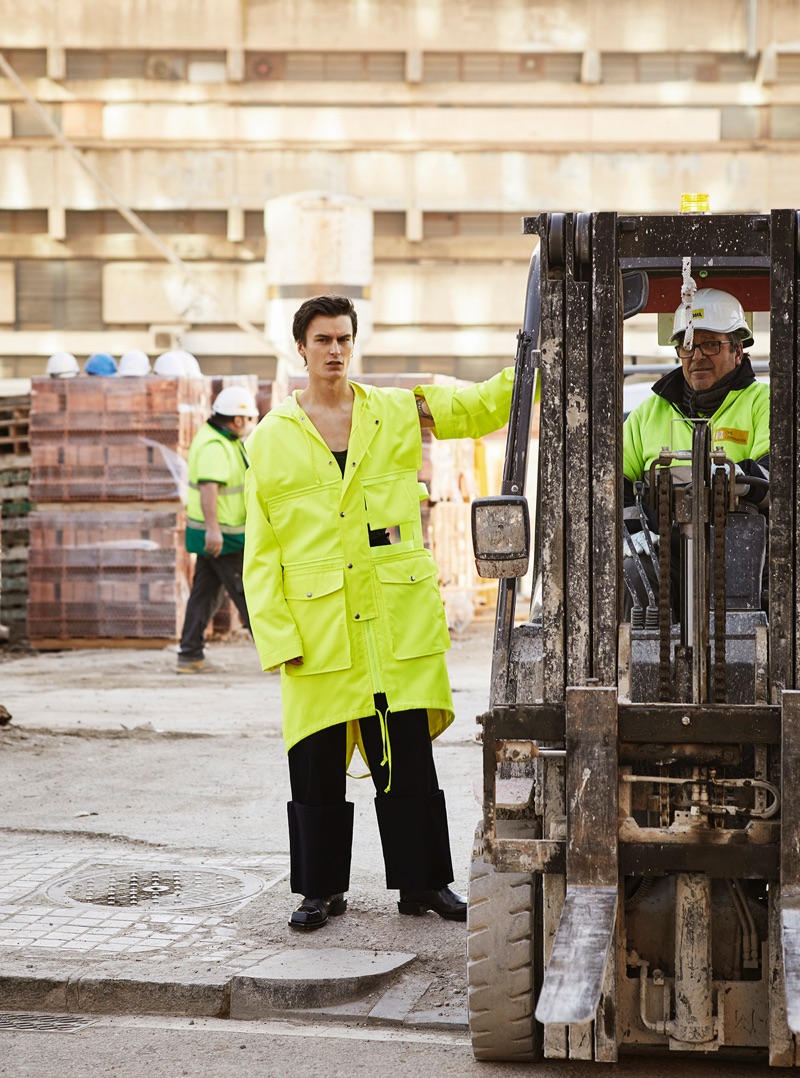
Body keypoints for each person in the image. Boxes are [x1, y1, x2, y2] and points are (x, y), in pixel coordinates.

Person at [243, 293, 514, 931]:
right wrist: (277, 635)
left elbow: (475, 408)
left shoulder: (392, 410)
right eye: (322, 340)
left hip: (393, 621)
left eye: (343, 339)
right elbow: (262, 546)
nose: (334, 350)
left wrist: (536, 363)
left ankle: (423, 885)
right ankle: (320, 891)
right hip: (319, 626)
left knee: (408, 759)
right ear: (301, 348)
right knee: (314, 764)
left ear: (352, 344)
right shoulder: (273, 437)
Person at [622, 287, 770, 616]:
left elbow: (775, 476)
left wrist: (724, 482)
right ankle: (632, 668)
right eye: (688, 346)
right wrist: (636, 537)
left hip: (744, 547)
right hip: (666, 550)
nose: (697, 356)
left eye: (711, 344)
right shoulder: (647, 414)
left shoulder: (765, 403)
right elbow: (613, 487)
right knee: (632, 578)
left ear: (738, 350)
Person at [176, 386, 258, 673]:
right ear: (237, 420)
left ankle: (190, 654)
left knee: (205, 594)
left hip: (221, 535)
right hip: (223, 537)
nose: (250, 425)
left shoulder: (224, 439)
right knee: (251, 593)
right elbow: (209, 487)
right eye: (249, 420)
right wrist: (214, 531)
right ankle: (279, 653)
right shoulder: (214, 445)